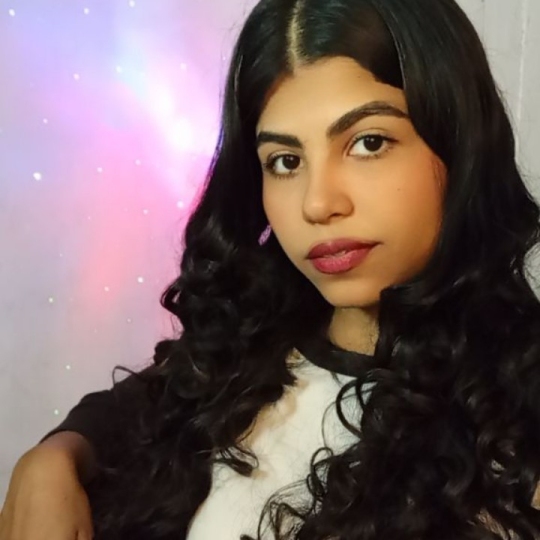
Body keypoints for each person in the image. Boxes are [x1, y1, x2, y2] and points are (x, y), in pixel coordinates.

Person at [2, 0, 540, 537]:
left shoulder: (518, 409)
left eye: (368, 143)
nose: (317, 203)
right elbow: (124, 414)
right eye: (285, 161)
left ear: (460, 143)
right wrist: (55, 457)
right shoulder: (241, 358)